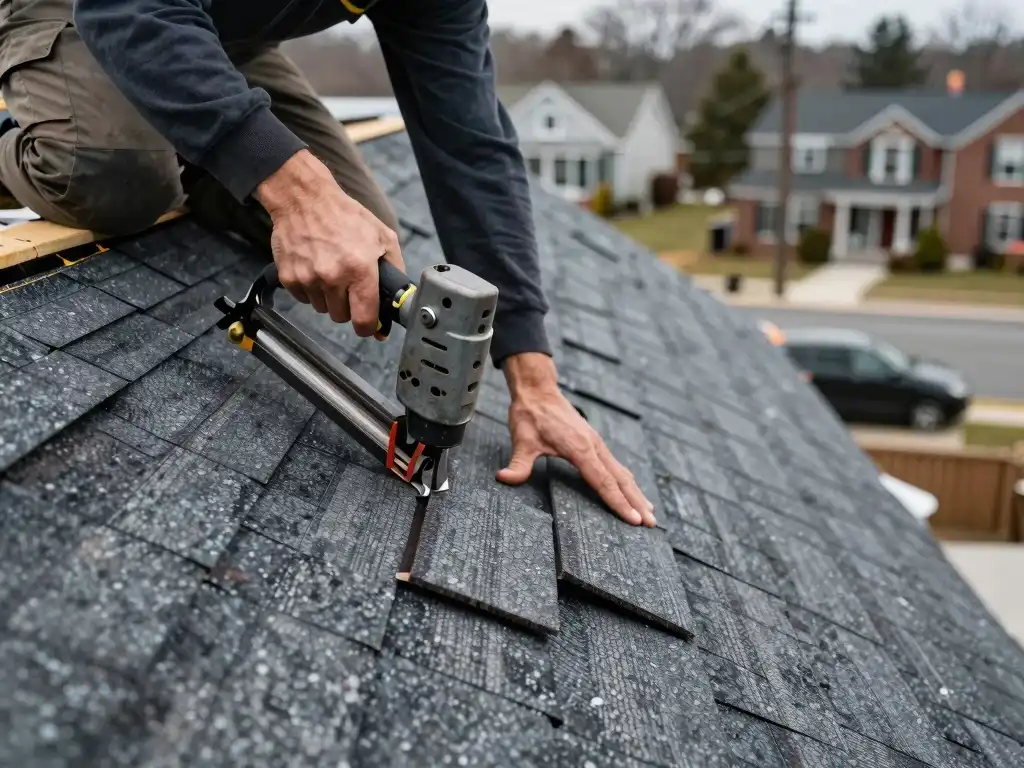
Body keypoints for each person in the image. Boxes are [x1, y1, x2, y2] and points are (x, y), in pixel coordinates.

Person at [0, 0, 655, 526]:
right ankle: (66, 136)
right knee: (114, 180)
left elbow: (473, 150)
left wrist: (533, 379)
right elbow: (124, 11)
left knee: (364, 241)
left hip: (211, 28)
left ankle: (179, 128)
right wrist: (298, 195)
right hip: (89, 7)